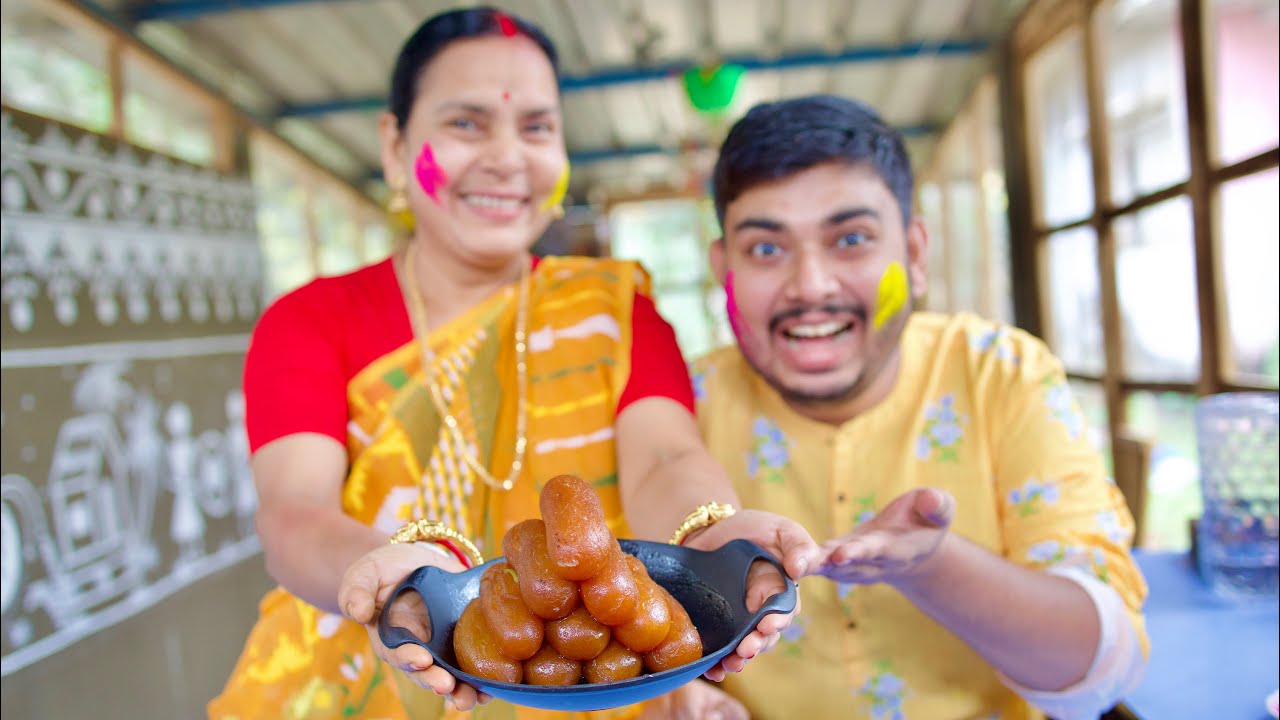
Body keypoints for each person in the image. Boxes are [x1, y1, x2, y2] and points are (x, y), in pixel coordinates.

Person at [208, 8, 817, 720]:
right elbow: (293, 515)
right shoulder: (311, 322)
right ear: (396, 143)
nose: (506, 158)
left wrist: (708, 537)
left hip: (584, 676)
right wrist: (395, 578)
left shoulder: (616, 311)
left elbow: (662, 460)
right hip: (350, 685)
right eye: (466, 124)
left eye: (536, 128)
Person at [687, 95, 1149, 719]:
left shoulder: (999, 371)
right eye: (767, 250)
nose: (812, 286)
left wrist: (933, 564)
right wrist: (680, 695)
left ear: (915, 253)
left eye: (851, 240)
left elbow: (1101, 668)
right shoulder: (682, 405)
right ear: (725, 270)